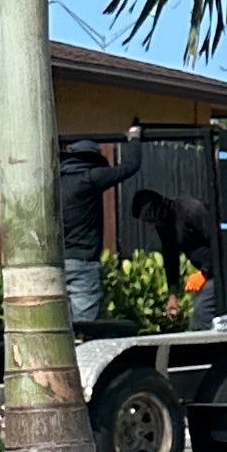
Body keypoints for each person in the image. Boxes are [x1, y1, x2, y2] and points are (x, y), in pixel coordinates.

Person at [54, 128, 143, 333]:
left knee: (60, 331)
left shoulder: (54, 182)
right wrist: (134, 136)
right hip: (83, 263)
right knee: (84, 331)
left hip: (56, 264)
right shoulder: (91, 177)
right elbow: (131, 166)